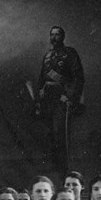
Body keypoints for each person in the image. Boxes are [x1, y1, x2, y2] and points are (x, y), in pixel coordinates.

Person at [34, 25, 84, 174]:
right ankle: (53, 169)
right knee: (49, 135)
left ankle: (64, 170)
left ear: (63, 37)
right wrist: (40, 94)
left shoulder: (70, 54)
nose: (54, 37)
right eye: (52, 35)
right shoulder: (47, 56)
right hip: (48, 101)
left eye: (57, 35)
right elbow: (42, 78)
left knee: (60, 134)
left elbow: (78, 78)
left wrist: (69, 97)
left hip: (62, 100)